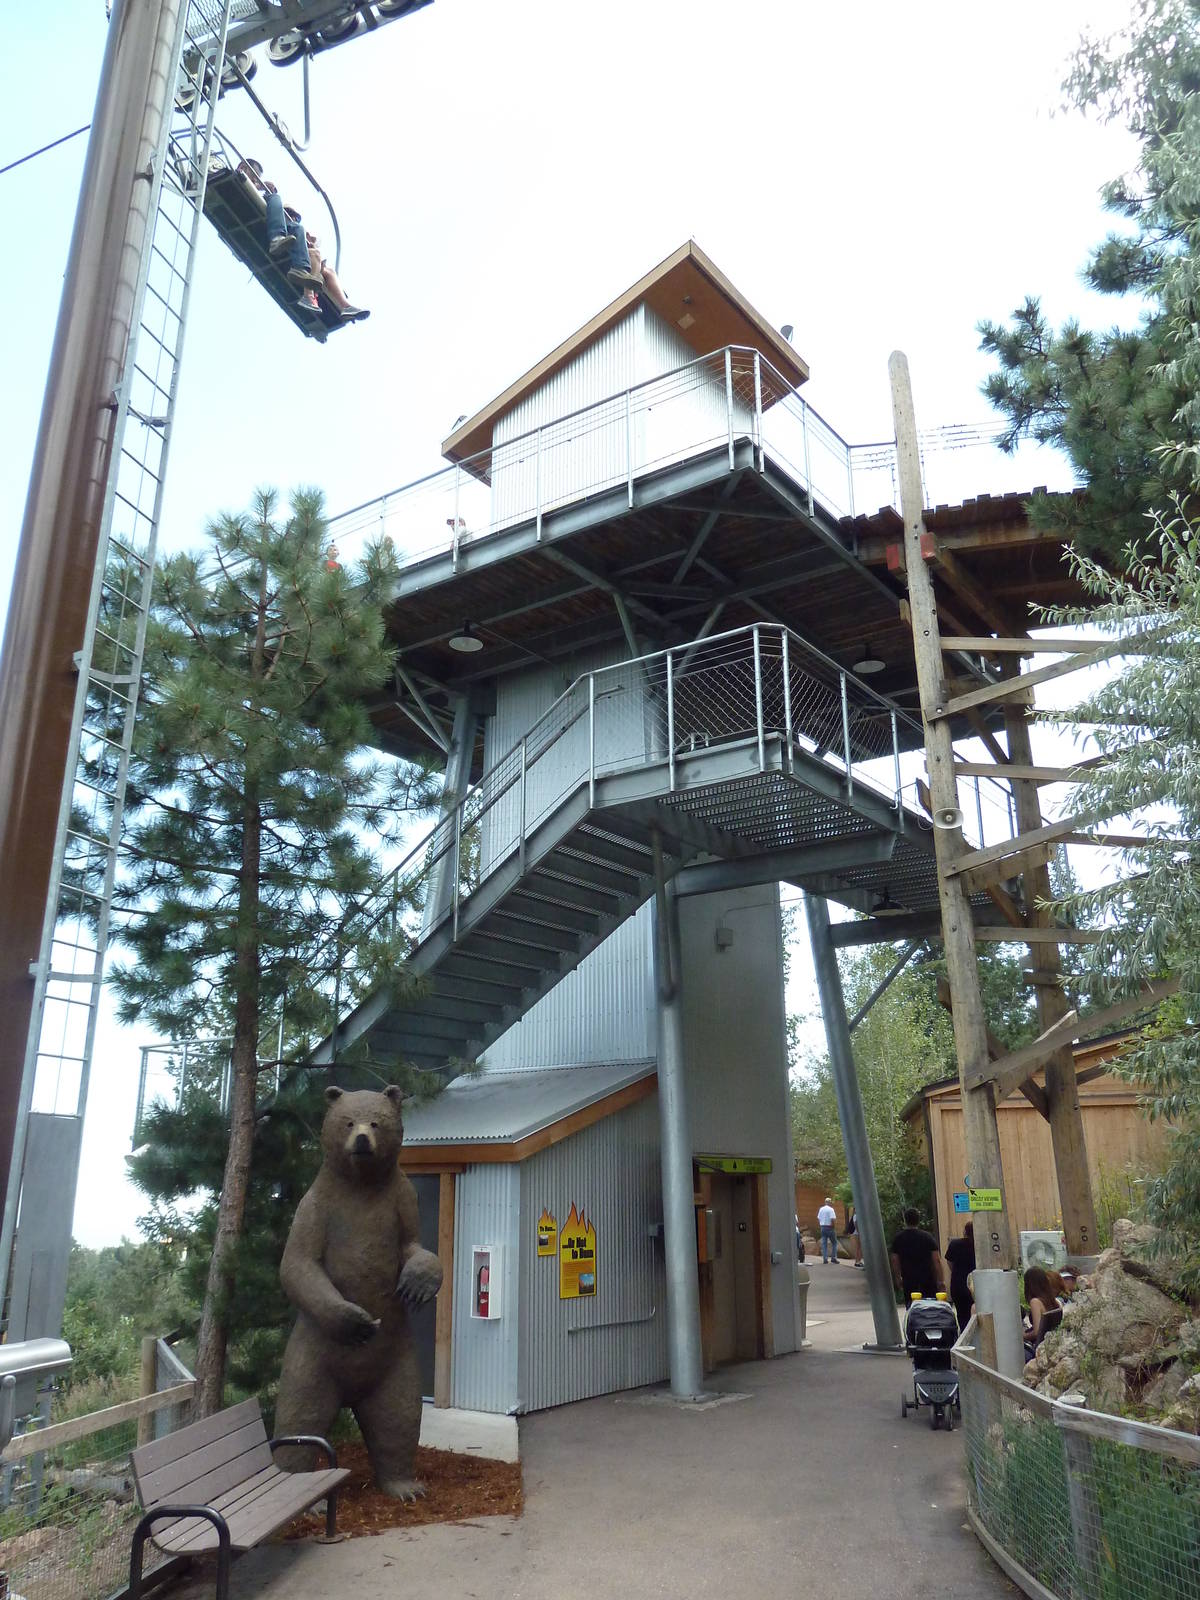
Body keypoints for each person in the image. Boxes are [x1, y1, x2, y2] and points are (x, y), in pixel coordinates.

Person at [237, 160, 369, 323]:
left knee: (327, 269)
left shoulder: (296, 229)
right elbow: (273, 207)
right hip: (286, 249)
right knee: (313, 252)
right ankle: (308, 295)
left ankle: (345, 305)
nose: (293, 218)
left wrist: (311, 241)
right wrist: (266, 189)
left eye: (295, 217)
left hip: (298, 254)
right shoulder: (273, 208)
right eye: (290, 214)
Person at [890, 1207, 945, 1302]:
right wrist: (941, 1280)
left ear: (905, 1220)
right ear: (918, 1220)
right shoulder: (927, 1237)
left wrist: (898, 1278)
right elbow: (936, 1260)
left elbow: (895, 1260)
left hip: (909, 1278)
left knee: (911, 1306)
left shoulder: (898, 1239)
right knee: (929, 1305)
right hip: (928, 1278)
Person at [1023, 1266, 1064, 1361]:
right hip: (1052, 1344)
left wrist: (1022, 1336)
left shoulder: (1035, 1302)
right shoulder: (1056, 1302)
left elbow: (1037, 1332)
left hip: (1039, 1348)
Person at [944, 1221, 975, 1330]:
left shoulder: (955, 1244)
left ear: (964, 1232)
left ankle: (963, 1334)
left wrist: (956, 1271)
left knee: (962, 1314)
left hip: (958, 1283)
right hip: (975, 1283)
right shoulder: (979, 1245)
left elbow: (949, 1261)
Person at [817, 1197, 839, 1265]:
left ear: (825, 1202)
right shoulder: (831, 1209)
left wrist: (821, 1225)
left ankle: (825, 1259)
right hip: (829, 1227)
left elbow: (818, 1218)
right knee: (834, 1242)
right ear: (829, 1202)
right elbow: (832, 1219)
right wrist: (833, 1227)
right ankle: (833, 1258)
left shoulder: (821, 1209)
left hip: (823, 1227)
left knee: (824, 1244)